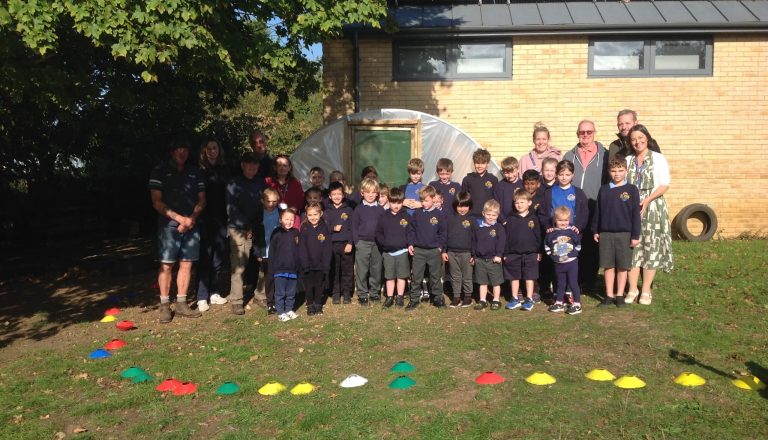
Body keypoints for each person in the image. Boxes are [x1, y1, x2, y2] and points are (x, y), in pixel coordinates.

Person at [148, 140, 206, 323]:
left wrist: (191, 220)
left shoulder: (195, 172)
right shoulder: (159, 171)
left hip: (191, 223)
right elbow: (156, 202)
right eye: (178, 148)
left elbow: (202, 199)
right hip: (169, 225)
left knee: (187, 264)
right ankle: (165, 305)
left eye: (185, 149)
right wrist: (180, 219)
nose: (182, 152)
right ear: (172, 151)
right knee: (167, 265)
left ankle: (181, 303)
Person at [625, 124, 674, 305]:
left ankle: (646, 289)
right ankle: (632, 289)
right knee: (632, 247)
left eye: (640, 138)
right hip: (631, 209)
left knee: (650, 247)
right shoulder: (628, 160)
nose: (637, 142)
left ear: (647, 138)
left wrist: (647, 199)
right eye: (633, 139)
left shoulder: (658, 158)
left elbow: (664, 184)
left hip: (652, 207)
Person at [563, 120, 608, 290]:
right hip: (573, 207)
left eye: (589, 132)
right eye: (582, 132)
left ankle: (590, 279)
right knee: (575, 241)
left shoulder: (605, 155)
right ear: (577, 134)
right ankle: (576, 277)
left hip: (595, 205)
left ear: (594, 133)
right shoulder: (569, 156)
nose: (586, 135)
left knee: (592, 244)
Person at [592, 157, 641, 308]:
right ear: (609, 172)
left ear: (626, 171)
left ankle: (619, 295)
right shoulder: (604, 189)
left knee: (622, 266)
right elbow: (598, 212)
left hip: (625, 235)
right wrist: (595, 229)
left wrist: (635, 235)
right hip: (606, 234)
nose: (617, 174)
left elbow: (635, 214)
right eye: (613, 171)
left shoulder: (632, 189)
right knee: (608, 266)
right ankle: (608, 295)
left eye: (620, 171)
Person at [225, 153, 266, 315]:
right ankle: (236, 300)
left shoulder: (261, 182)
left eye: (255, 164)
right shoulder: (234, 183)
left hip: (259, 227)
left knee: (265, 262)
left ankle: (261, 295)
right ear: (243, 165)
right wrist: (247, 227)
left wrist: (257, 227)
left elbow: (265, 204)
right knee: (239, 265)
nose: (252, 167)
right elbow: (231, 209)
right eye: (249, 164)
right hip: (239, 229)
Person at [196, 138, 230, 312]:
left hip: (221, 219)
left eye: (215, 148)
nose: (212, 151)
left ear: (219, 150)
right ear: (204, 151)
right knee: (205, 257)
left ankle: (214, 292)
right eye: (209, 148)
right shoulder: (199, 171)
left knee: (218, 257)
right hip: (204, 219)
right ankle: (202, 296)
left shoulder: (224, 170)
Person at [406, 185, 447, 310]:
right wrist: (411, 244)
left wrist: (440, 247)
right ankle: (414, 300)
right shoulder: (417, 214)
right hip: (419, 250)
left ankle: (438, 298)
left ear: (433, 199)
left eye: (427, 201)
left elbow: (443, 232)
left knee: (435, 276)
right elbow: (411, 230)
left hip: (434, 251)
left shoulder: (439, 215)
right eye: (422, 201)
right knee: (416, 276)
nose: (424, 203)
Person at [503, 189, 541, 312]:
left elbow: (538, 236)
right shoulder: (510, 219)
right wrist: (505, 253)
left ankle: (529, 299)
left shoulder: (534, 218)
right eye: (517, 202)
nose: (519, 205)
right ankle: (514, 298)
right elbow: (506, 237)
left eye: (522, 202)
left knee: (529, 277)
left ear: (529, 203)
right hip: (513, 254)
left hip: (530, 254)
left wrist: (539, 252)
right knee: (514, 277)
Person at [351, 177, 385, 305]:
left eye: (373, 192)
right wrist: (357, 242)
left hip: (377, 244)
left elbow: (383, 227)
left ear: (377, 193)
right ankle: (362, 293)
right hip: (362, 243)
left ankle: (375, 292)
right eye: (367, 192)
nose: (370, 195)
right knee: (362, 269)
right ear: (362, 193)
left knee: (376, 268)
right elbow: (354, 227)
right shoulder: (358, 209)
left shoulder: (381, 210)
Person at [375, 187, 410, 308]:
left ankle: (399, 297)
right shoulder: (383, 216)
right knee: (389, 276)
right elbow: (378, 232)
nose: (396, 205)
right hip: (388, 253)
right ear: (389, 201)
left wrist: (408, 243)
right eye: (393, 202)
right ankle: (390, 298)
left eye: (399, 202)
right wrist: (384, 243)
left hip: (403, 252)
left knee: (401, 276)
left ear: (402, 202)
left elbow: (411, 232)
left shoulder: (406, 216)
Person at [545, 206, 583, 315]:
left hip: (571, 263)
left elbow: (578, 244)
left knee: (573, 283)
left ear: (569, 220)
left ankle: (577, 304)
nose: (563, 223)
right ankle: (559, 303)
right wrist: (552, 256)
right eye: (560, 220)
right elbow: (547, 246)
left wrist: (573, 254)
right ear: (555, 220)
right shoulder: (551, 233)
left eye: (566, 220)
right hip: (558, 263)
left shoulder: (572, 232)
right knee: (560, 284)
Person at [324, 181, 355, 304]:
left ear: (343, 195)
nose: (337, 196)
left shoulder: (349, 210)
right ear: (330, 196)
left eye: (339, 194)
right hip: (332, 245)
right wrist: (332, 228)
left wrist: (350, 243)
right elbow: (324, 228)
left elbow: (353, 228)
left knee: (347, 270)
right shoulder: (327, 212)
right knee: (334, 270)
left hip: (345, 245)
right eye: (334, 194)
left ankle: (346, 293)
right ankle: (335, 293)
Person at [472, 200, 506, 311]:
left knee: (496, 282)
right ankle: (482, 300)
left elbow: (502, 242)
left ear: (497, 215)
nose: (491, 217)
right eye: (488, 214)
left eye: (494, 215)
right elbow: (474, 241)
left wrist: (499, 255)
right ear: (483, 213)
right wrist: (474, 255)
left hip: (493, 259)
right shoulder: (479, 227)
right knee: (482, 282)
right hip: (480, 260)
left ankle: (496, 300)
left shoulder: (499, 227)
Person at [299, 202, 332, 316]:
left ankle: (318, 304)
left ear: (321, 213)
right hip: (307, 264)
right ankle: (310, 305)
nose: (313, 217)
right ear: (306, 215)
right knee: (309, 286)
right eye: (310, 215)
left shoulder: (325, 227)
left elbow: (327, 248)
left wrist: (326, 265)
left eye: (315, 214)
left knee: (319, 285)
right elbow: (302, 248)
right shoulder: (304, 228)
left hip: (321, 264)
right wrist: (305, 263)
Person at [443, 191, 475, 307]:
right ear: (455, 205)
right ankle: (456, 297)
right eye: (459, 206)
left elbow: (475, 238)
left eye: (465, 206)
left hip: (466, 253)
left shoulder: (472, 220)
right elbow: (445, 235)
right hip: (451, 252)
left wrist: (474, 255)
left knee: (467, 276)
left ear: (469, 206)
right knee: (455, 276)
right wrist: (444, 251)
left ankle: (468, 297)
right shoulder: (450, 218)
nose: (462, 209)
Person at [270, 208, 301, 322]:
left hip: (292, 269)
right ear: (280, 220)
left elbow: (299, 250)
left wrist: (298, 265)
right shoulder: (276, 233)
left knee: (291, 292)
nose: (289, 222)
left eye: (291, 220)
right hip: (279, 269)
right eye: (286, 219)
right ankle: (280, 312)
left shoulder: (296, 233)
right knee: (280, 292)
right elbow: (272, 251)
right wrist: (272, 267)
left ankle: (289, 309)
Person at [254, 188, 281, 315]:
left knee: (278, 276)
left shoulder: (280, 212)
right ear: (263, 201)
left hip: (278, 250)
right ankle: (271, 303)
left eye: (274, 201)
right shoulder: (259, 214)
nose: (271, 204)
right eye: (268, 201)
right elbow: (256, 235)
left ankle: (279, 299)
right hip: (265, 250)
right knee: (269, 278)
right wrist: (258, 252)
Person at [461, 149, 498, 219]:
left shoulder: (493, 179)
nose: (480, 166)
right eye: (477, 163)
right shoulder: (467, 179)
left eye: (483, 163)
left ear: (488, 163)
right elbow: (463, 200)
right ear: (474, 163)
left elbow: (495, 199)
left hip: (488, 217)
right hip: (471, 217)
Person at [493, 156, 523, 221]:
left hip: (521, 220)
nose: (510, 175)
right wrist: (503, 220)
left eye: (512, 172)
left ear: (518, 169)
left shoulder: (523, 185)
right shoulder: (499, 186)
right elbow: (496, 205)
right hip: (504, 222)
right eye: (506, 173)